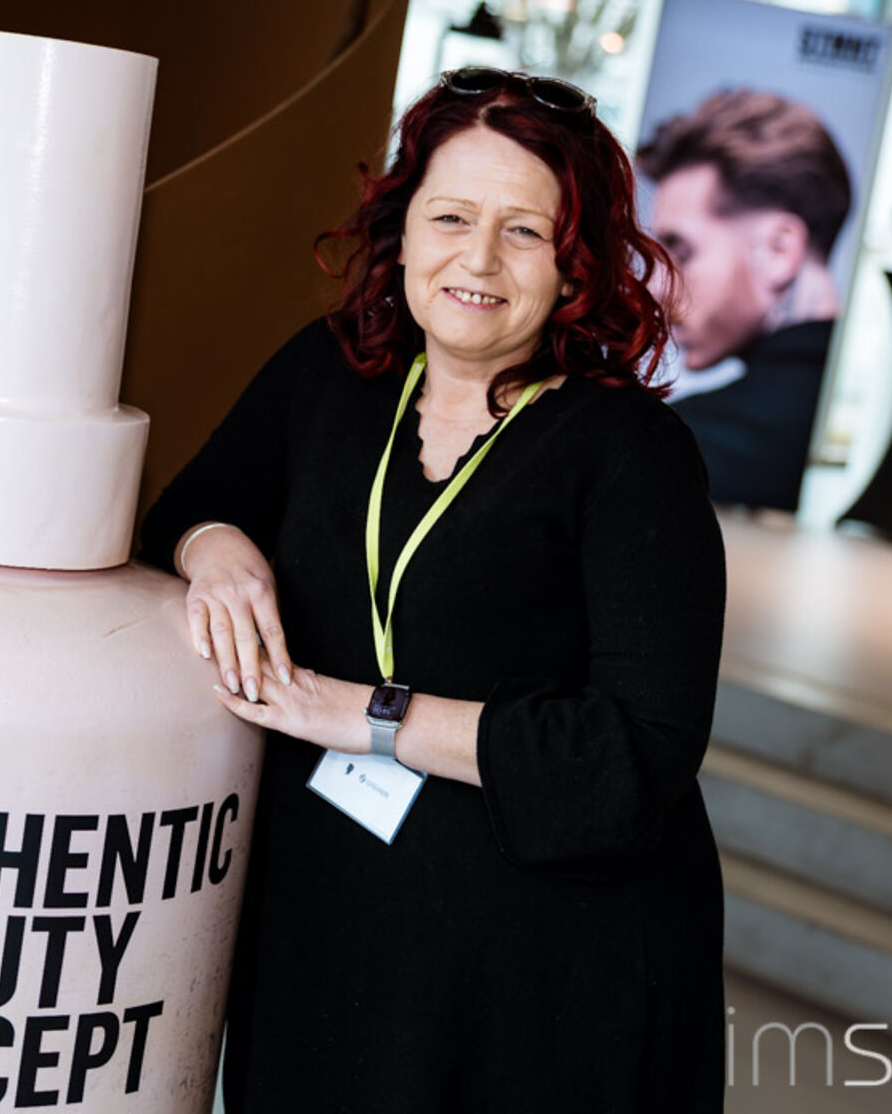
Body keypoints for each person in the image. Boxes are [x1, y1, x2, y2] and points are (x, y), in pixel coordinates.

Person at [138, 67, 727, 1111]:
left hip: (539, 973)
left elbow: (632, 754)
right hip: (328, 921)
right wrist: (218, 547)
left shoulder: (633, 453)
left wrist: (363, 714)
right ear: (403, 230)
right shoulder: (332, 373)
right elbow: (185, 509)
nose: (478, 259)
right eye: (451, 217)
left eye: (525, 232)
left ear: (576, 262)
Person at [635, 90, 853, 511]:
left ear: (778, 250)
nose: (657, 289)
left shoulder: (680, 445)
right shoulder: (869, 431)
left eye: (681, 251)